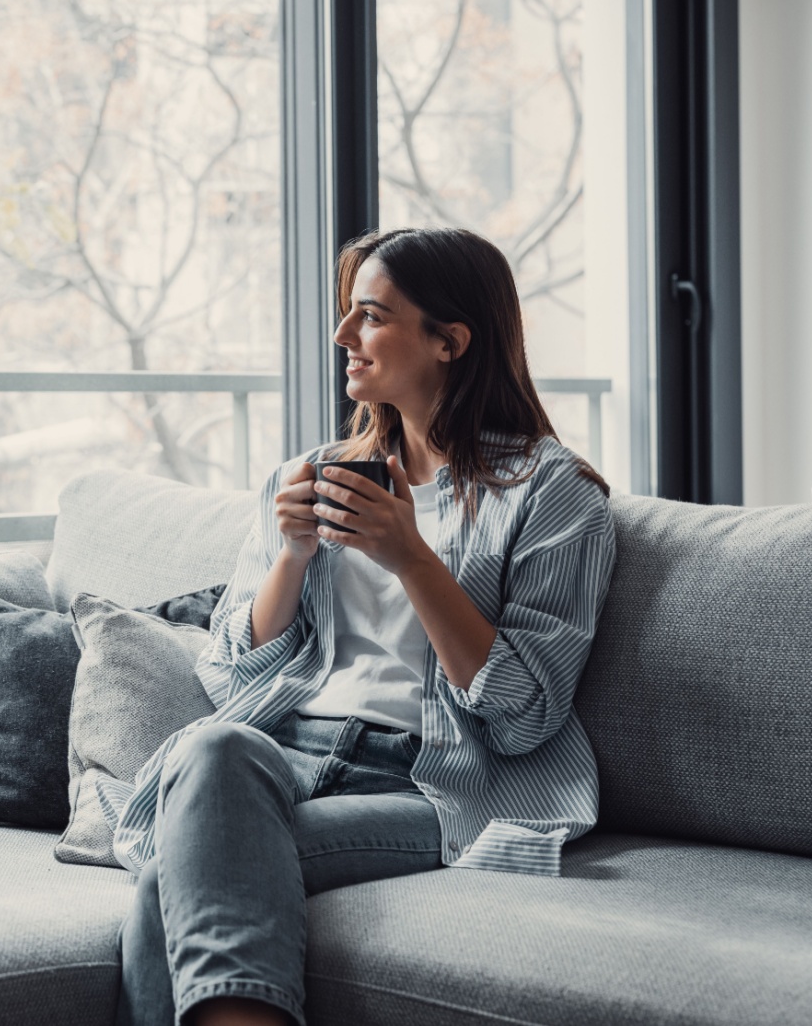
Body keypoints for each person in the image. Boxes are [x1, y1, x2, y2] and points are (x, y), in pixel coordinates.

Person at [110, 227, 618, 1026]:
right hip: (280, 757)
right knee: (213, 742)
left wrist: (413, 559)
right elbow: (227, 676)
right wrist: (291, 556)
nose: (343, 336)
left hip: (428, 780)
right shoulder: (312, 474)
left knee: (166, 884)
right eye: (348, 314)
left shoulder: (552, 496)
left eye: (371, 316)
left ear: (450, 340)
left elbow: (527, 716)